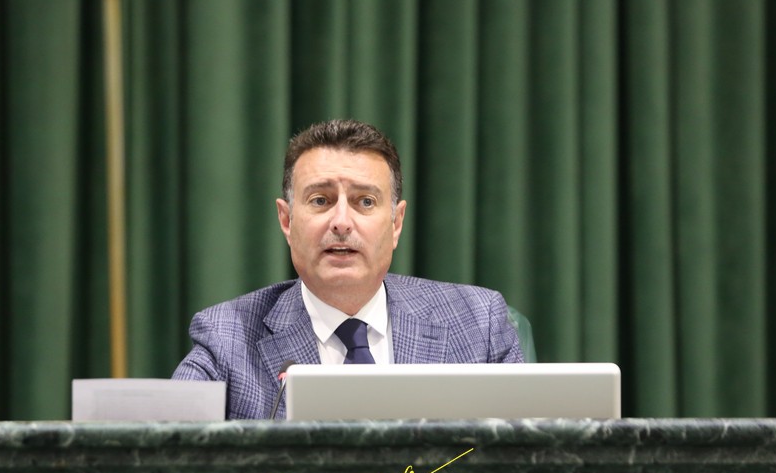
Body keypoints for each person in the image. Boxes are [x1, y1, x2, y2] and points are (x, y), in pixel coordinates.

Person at [173, 119, 523, 419]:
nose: (341, 222)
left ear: (396, 223)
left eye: (365, 201)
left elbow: (531, 458)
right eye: (320, 200)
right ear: (287, 220)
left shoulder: (477, 324)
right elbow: (166, 452)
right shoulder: (228, 340)